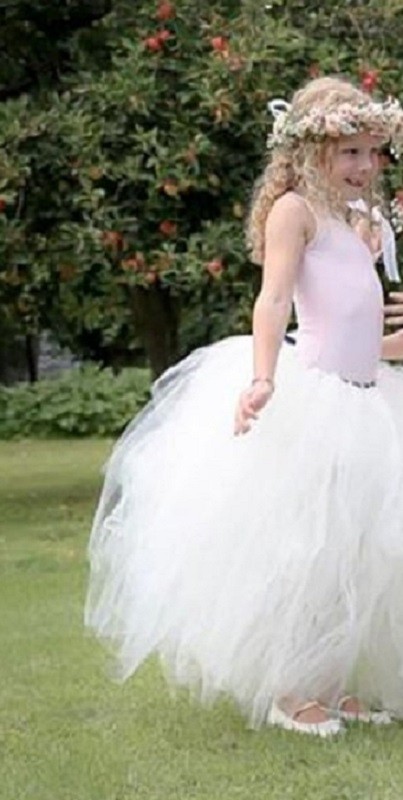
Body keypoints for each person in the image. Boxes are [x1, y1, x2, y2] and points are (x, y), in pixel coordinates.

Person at [85, 76, 403, 738]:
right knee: (306, 552)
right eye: (349, 152)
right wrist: (262, 377)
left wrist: (391, 343)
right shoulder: (295, 211)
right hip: (316, 401)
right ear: (310, 149)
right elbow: (275, 299)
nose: (364, 166)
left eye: (372, 152)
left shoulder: (359, 224)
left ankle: (329, 681)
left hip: (365, 399)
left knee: (353, 553)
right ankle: (289, 688)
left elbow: (356, 321)